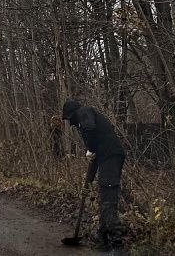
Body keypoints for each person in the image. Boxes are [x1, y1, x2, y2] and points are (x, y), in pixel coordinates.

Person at [62, 99, 126, 252]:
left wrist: (90, 148)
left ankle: (118, 245)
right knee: (104, 199)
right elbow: (94, 158)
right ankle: (103, 239)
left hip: (111, 158)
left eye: (69, 119)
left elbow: (90, 130)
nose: (70, 124)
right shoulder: (94, 133)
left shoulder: (85, 112)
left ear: (73, 114)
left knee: (108, 202)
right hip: (107, 158)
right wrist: (88, 183)